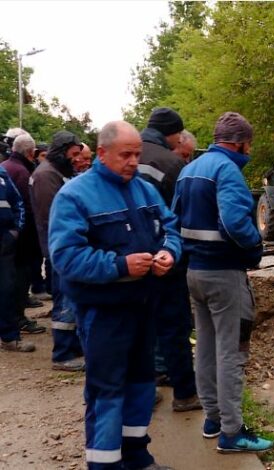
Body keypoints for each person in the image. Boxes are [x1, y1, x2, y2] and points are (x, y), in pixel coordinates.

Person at [49, 120, 179, 470]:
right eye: (126, 155)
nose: (134, 161)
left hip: (143, 306)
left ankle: (137, 457)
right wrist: (120, 266)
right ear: (102, 153)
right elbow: (66, 257)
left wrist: (168, 253)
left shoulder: (145, 190)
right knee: (107, 392)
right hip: (103, 313)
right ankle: (105, 464)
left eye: (137, 154)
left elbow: (170, 228)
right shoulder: (75, 195)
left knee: (141, 385)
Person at [172, 112, 272, 453]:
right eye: (249, 144)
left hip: (195, 273)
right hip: (224, 274)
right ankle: (232, 432)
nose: (249, 150)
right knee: (231, 352)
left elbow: (174, 220)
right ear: (239, 143)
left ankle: (212, 419)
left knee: (205, 346)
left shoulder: (189, 170)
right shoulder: (227, 170)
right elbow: (234, 223)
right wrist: (255, 248)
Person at [138, 107, 200, 412]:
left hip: (130, 257)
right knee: (174, 326)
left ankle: (144, 389)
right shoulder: (171, 163)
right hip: (166, 257)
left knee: (138, 327)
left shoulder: (121, 156)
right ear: (173, 134)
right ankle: (185, 394)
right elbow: (182, 214)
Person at [30, 131, 86, 371]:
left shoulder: (56, 172)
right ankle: (62, 354)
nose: (77, 159)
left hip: (66, 247)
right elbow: (52, 217)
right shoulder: (46, 176)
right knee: (64, 301)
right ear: (62, 152)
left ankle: (73, 346)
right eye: (74, 154)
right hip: (60, 249)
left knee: (71, 299)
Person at [0, 133, 48, 334]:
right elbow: (26, 206)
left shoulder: (7, 168)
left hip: (11, 237)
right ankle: (17, 319)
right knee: (17, 280)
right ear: (31, 152)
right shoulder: (21, 171)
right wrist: (18, 232)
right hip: (20, 239)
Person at [0, 165, 35, 352]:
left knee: (7, 289)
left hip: (4, 242)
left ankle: (10, 337)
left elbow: (18, 203)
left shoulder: (2, 174)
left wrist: (15, 231)